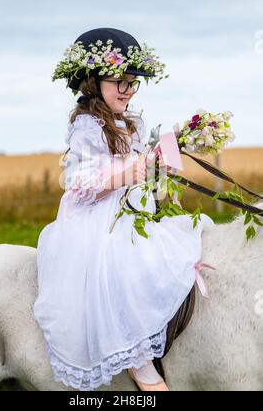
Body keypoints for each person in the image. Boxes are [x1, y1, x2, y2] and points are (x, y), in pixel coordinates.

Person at [33, 27, 215, 391]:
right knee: (122, 265)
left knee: (181, 238)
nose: (128, 90)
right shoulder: (87, 124)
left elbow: (141, 164)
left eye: (133, 83)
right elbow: (78, 179)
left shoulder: (132, 121)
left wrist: (163, 157)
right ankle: (138, 359)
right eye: (120, 82)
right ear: (92, 82)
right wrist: (123, 172)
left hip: (131, 205)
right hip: (93, 216)